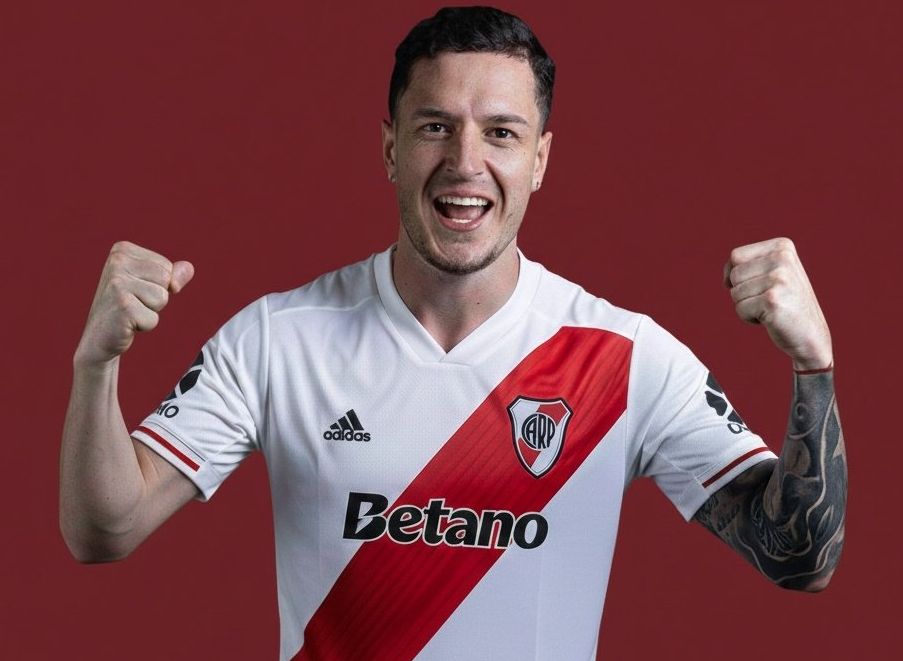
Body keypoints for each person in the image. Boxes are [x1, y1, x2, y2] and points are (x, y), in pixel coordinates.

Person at [59, 7, 846, 660]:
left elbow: (797, 558)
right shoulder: (277, 340)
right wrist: (96, 367)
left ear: (539, 159)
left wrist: (813, 368)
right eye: (436, 126)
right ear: (390, 147)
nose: (465, 162)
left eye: (501, 133)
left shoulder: (623, 357)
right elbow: (104, 529)